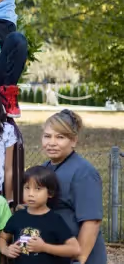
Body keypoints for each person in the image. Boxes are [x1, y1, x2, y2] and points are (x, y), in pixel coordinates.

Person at [42, 110, 106, 264]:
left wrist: (79, 260)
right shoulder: (44, 169)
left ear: (74, 141)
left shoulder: (84, 173)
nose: (52, 142)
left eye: (60, 137)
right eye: (47, 136)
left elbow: (91, 222)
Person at [0, 166, 80, 264]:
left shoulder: (55, 220)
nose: (31, 194)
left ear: (50, 193)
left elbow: (75, 249)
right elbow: (2, 237)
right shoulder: (17, 217)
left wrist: (44, 247)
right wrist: (5, 249)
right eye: (27, 188)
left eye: (38, 189)